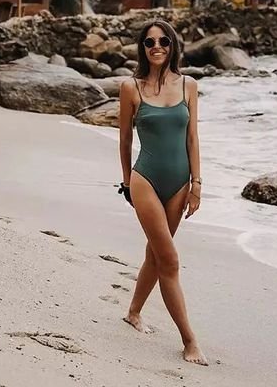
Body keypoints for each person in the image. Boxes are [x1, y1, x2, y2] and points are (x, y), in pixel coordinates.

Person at [118, 18, 208, 366]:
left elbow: (192, 138)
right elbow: (125, 139)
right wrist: (127, 182)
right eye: (149, 42)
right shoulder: (131, 87)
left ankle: (133, 312)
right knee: (169, 259)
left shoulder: (189, 85)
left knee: (156, 253)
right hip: (146, 180)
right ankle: (190, 341)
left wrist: (196, 184)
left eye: (163, 41)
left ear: (173, 46)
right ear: (142, 48)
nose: (157, 47)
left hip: (180, 184)